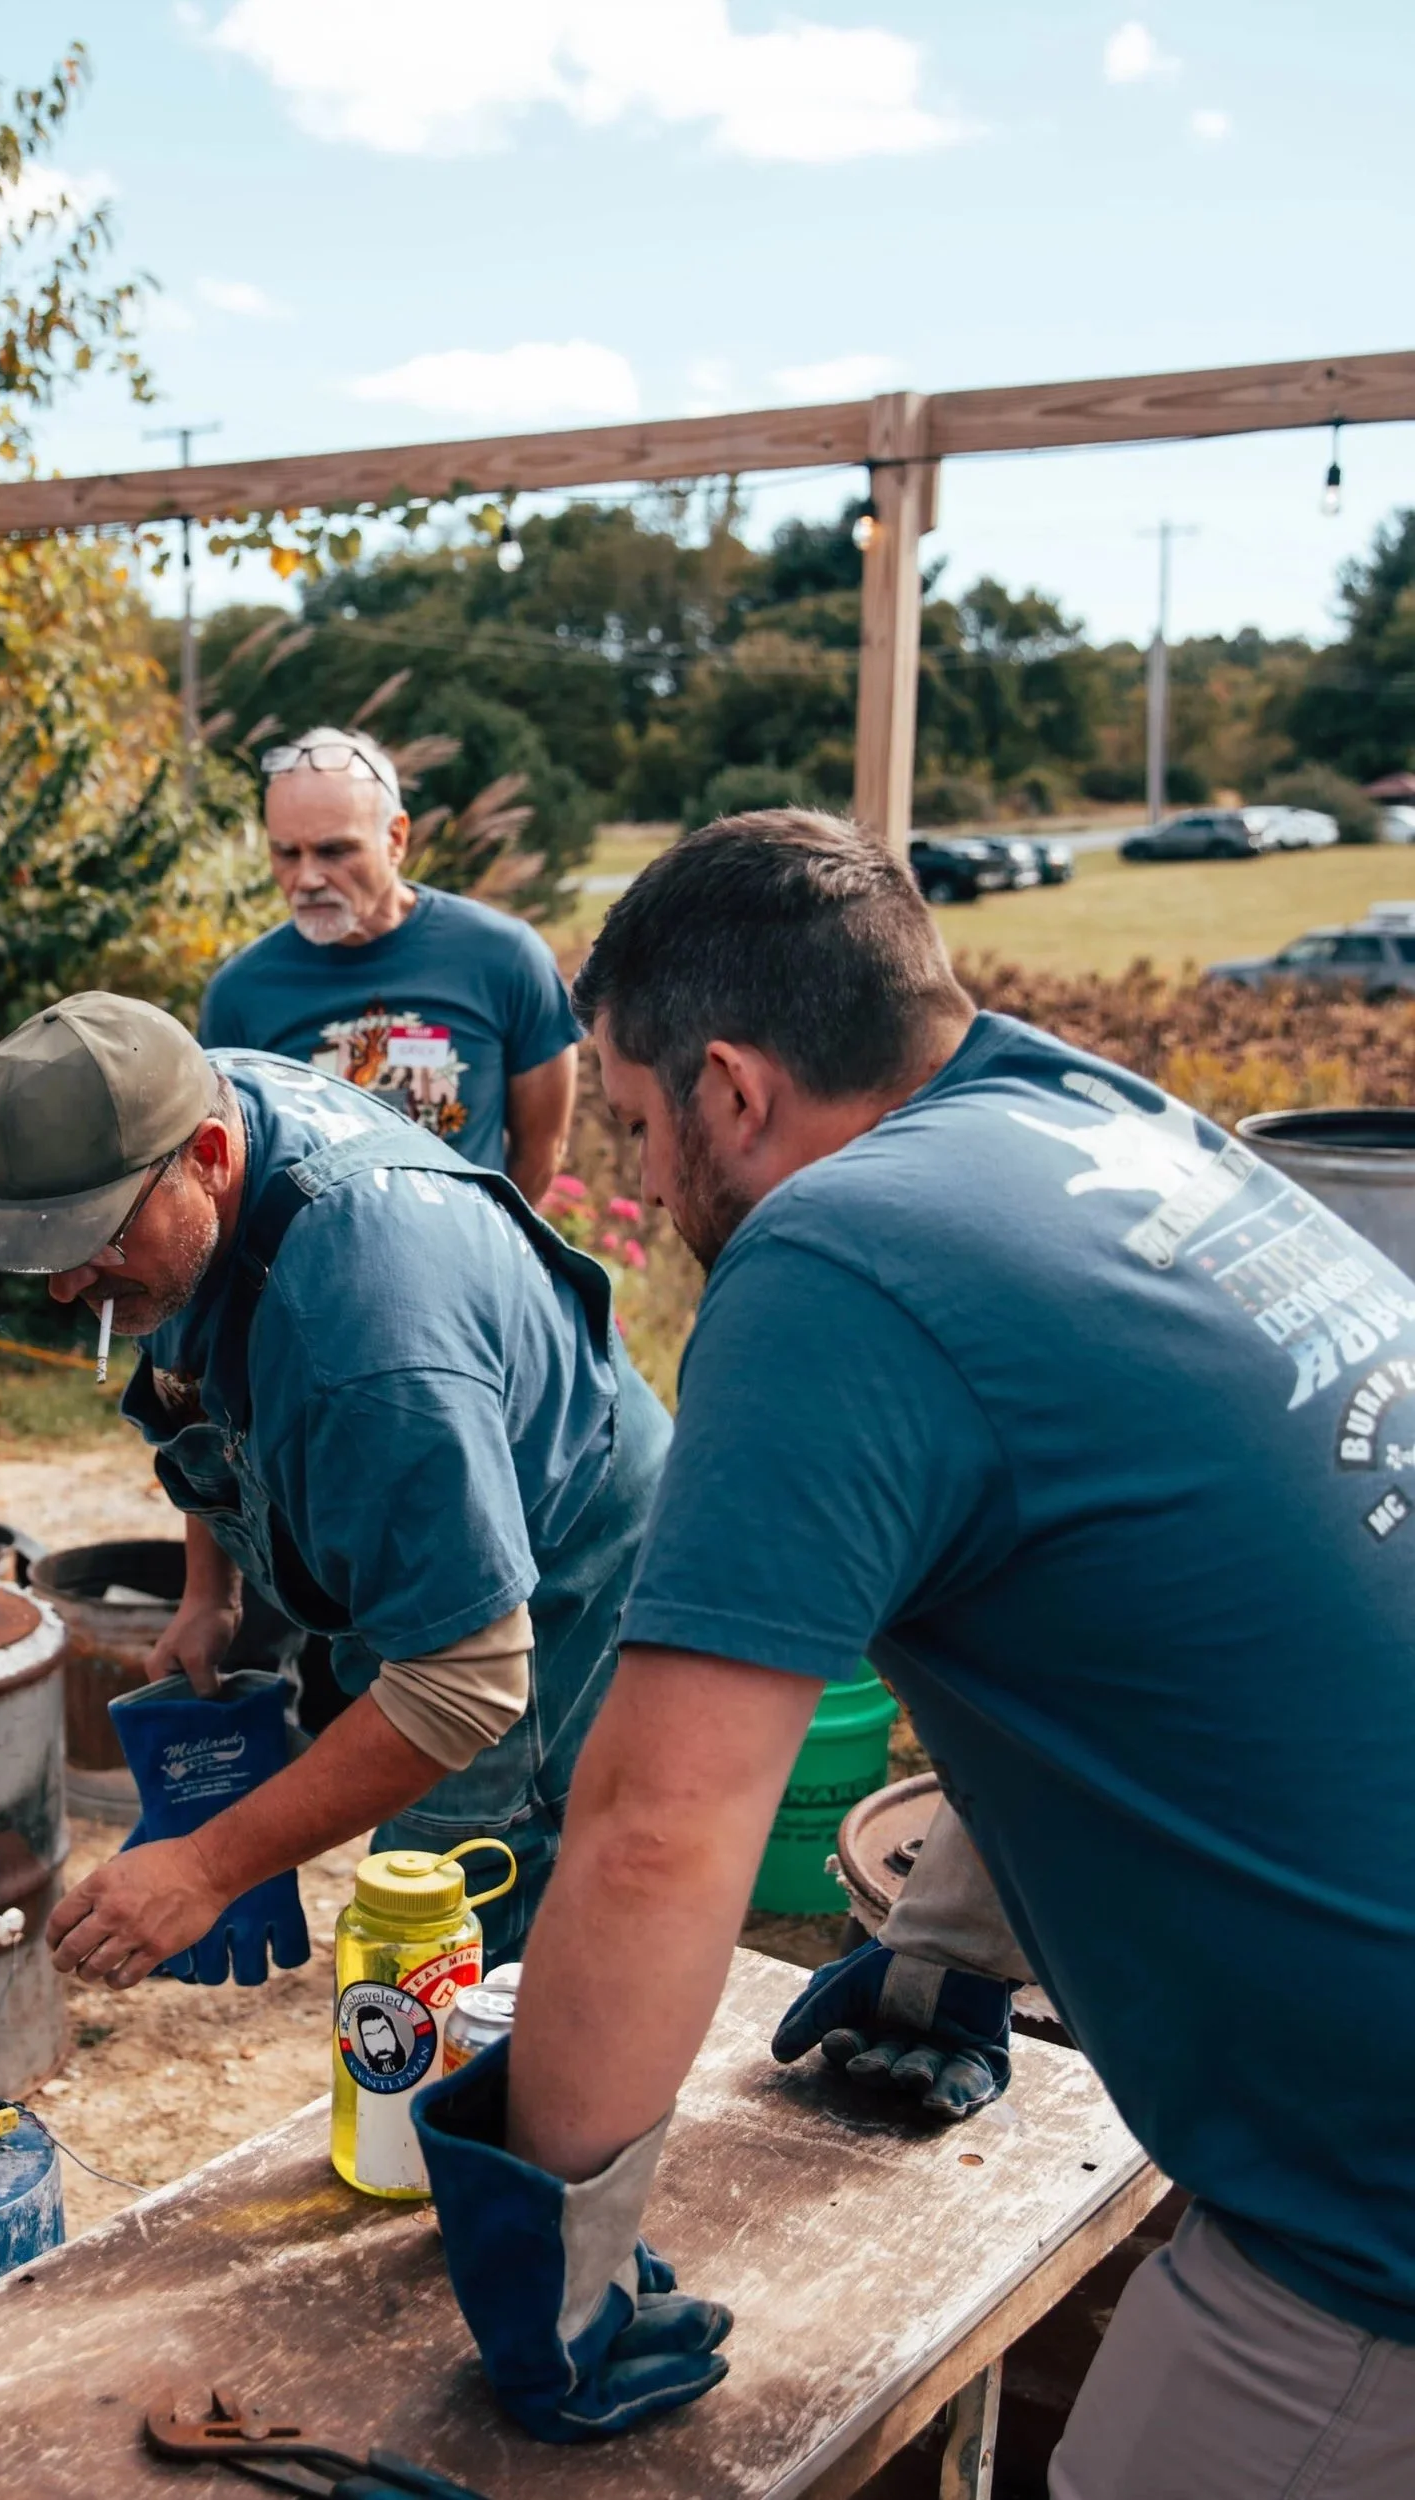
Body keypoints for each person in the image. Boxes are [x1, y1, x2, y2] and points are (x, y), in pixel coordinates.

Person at [412, 809, 1415, 2486]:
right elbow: (1116, 1628)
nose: (644, 1185)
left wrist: (557, 2246)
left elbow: (659, 1832)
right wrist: (953, 1948)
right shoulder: (1099, 1122)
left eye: (643, 1125)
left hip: (1375, 2194)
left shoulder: (836, 1253)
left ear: (734, 1089)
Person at [0, 991, 669, 1981]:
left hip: (561, 1565)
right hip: (428, 1467)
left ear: (209, 1156)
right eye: (45, 1246)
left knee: (450, 1919)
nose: (68, 1285)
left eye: (94, 1237)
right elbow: (200, 1376)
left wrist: (203, 1867)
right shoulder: (188, 1130)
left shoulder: (369, 1336)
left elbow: (465, 1680)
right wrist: (212, 1595)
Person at [198, 726, 579, 1205]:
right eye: (287, 853)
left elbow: (542, 1148)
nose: (307, 877)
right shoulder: (240, 994)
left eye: (334, 850)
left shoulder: (504, 958)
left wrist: (491, 1234)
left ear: (396, 839)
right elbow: (229, 1176)